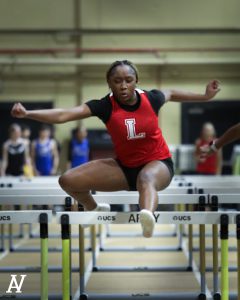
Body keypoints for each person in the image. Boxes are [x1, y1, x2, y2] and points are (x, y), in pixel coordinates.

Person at [11, 60, 220, 237]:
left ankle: (147, 217)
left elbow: (172, 93)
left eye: (128, 80)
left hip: (158, 165)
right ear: (109, 83)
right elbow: (64, 115)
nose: (123, 86)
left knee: (146, 178)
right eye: (117, 81)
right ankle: (94, 207)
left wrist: (205, 97)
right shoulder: (104, 105)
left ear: (136, 81)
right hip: (125, 168)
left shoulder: (151, 98)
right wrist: (28, 113)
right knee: (67, 180)